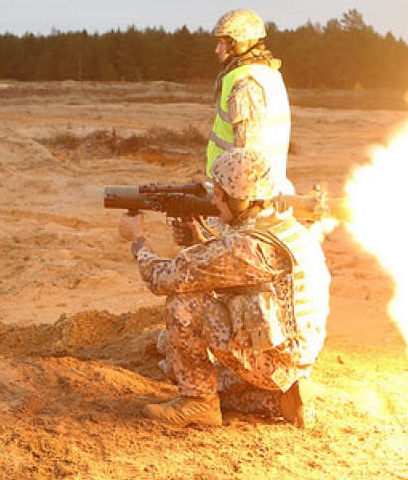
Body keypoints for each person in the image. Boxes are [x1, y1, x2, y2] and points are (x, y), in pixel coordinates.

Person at [118, 149, 331, 428]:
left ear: (241, 200)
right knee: (201, 372)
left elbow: (164, 278)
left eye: (221, 194)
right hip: (297, 353)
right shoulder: (285, 228)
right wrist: (198, 241)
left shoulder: (244, 247)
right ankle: (282, 398)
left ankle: (198, 403)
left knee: (183, 305)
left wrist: (138, 240)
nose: (214, 201)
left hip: (274, 361)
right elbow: (234, 270)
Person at [206, 8, 294, 196]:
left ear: (241, 43)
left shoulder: (246, 83)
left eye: (223, 42)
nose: (217, 50)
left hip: (246, 195)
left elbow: (247, 156)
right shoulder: (267, 74)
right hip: (257, 190)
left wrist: (236, 204)